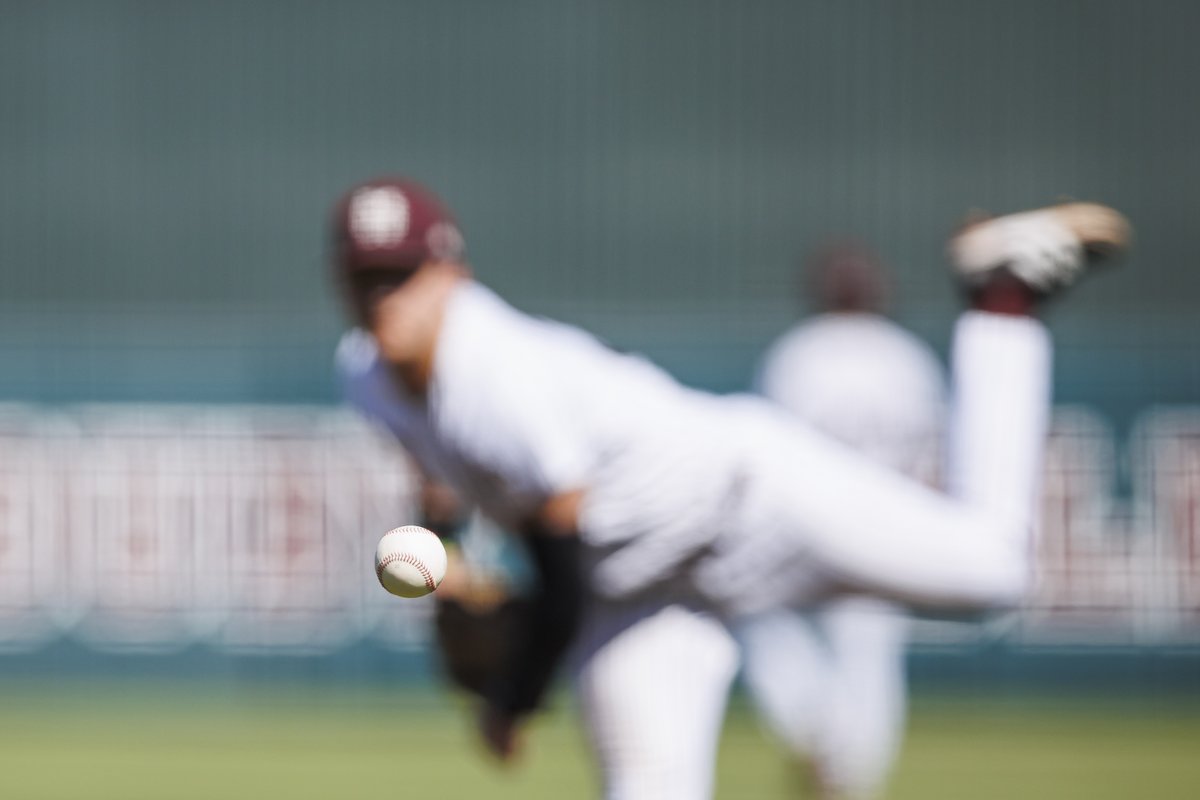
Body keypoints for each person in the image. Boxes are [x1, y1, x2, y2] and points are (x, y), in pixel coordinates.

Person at [331, 176, 1128, 800]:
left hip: (748, 505)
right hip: (641, 585)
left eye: (399, 277)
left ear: (451, 274)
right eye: (365, 279)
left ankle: (1003, 299)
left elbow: (560, 563)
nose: (381, 299)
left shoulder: (495, 375)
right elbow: (439, 496)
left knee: (993, 569)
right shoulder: (366, 371)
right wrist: (452, 565)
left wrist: (514, 693)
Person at [737, 243, 946, 798]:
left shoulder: (800, 352)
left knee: (757, 616)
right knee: (869, 658)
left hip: (812, 521)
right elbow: (932, 458)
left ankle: (817, 728)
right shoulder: (908, 357)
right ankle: (852, 775)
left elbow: (774, 451)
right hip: (887, 521)